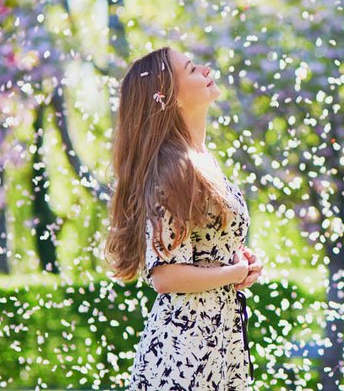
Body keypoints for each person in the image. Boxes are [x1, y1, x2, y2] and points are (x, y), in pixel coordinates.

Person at [103, 46, 263, 390]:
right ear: (171, 98)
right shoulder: (172, 170)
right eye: (191, 69)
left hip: (218, 344)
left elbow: (205, 249)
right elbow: (166, 274)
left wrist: (241, 261)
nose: (206, 69)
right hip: (184, 353)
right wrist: (234, 273)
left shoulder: (201, 159)